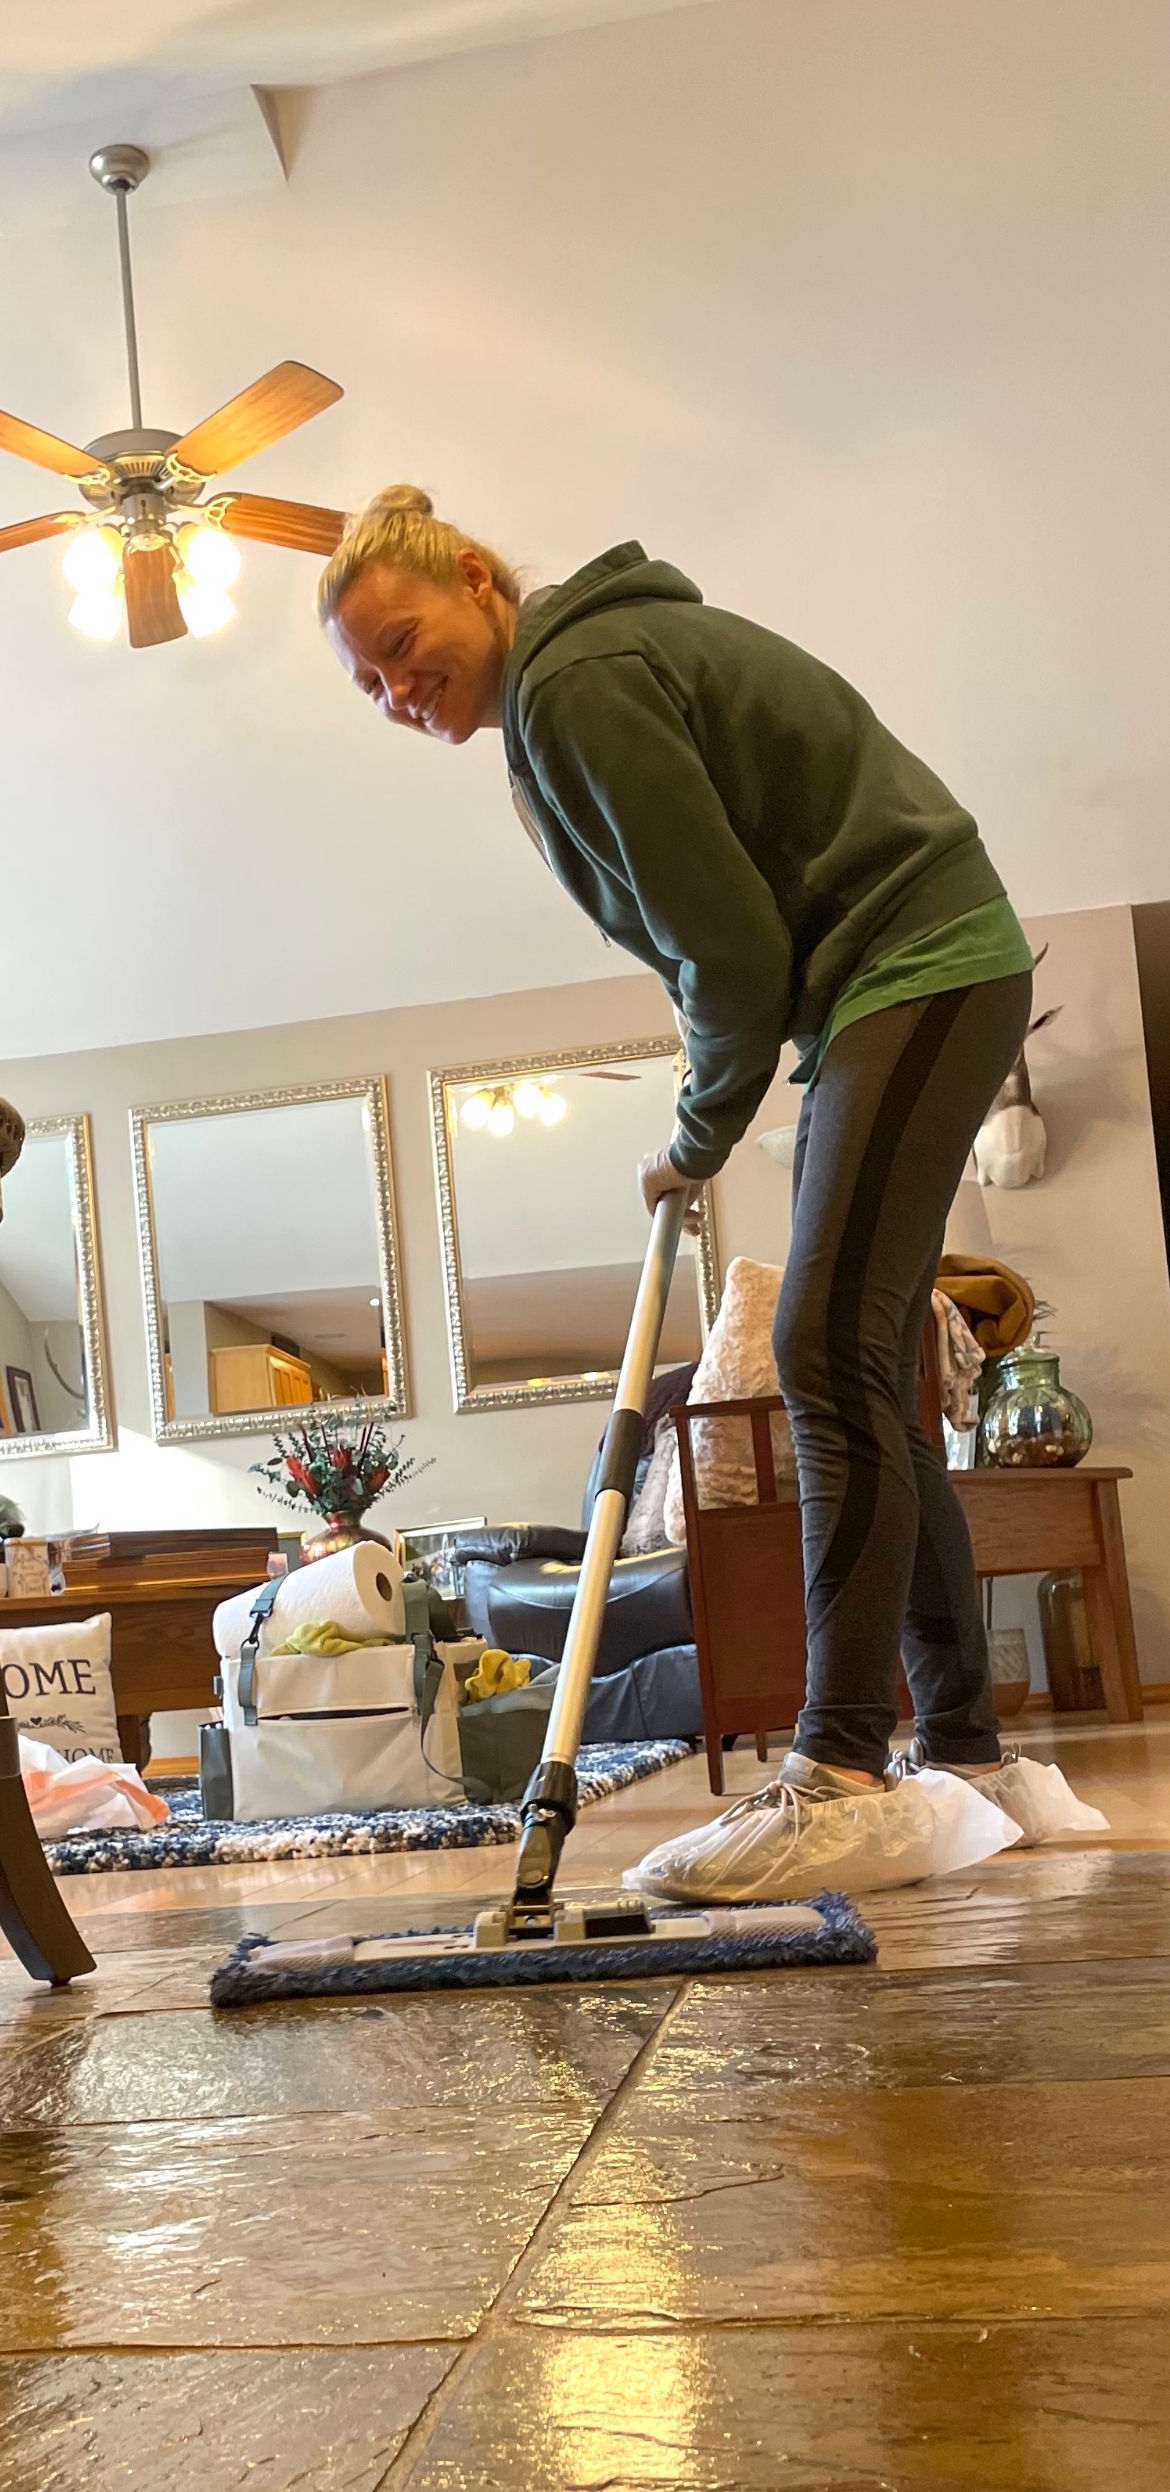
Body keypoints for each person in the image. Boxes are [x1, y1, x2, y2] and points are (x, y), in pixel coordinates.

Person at [319, 484, 1037, 1873]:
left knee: (821, 1353)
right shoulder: (565, 699)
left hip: (916, 963)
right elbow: (722, 940)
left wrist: (693, 1136)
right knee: (860, 1359)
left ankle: (837, 1767)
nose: (400, 687)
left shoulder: (575, 680)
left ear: (475, 578)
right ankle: (969, 1760)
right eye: (371, 683)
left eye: (405, 643)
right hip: (890, 990)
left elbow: (730, 953)